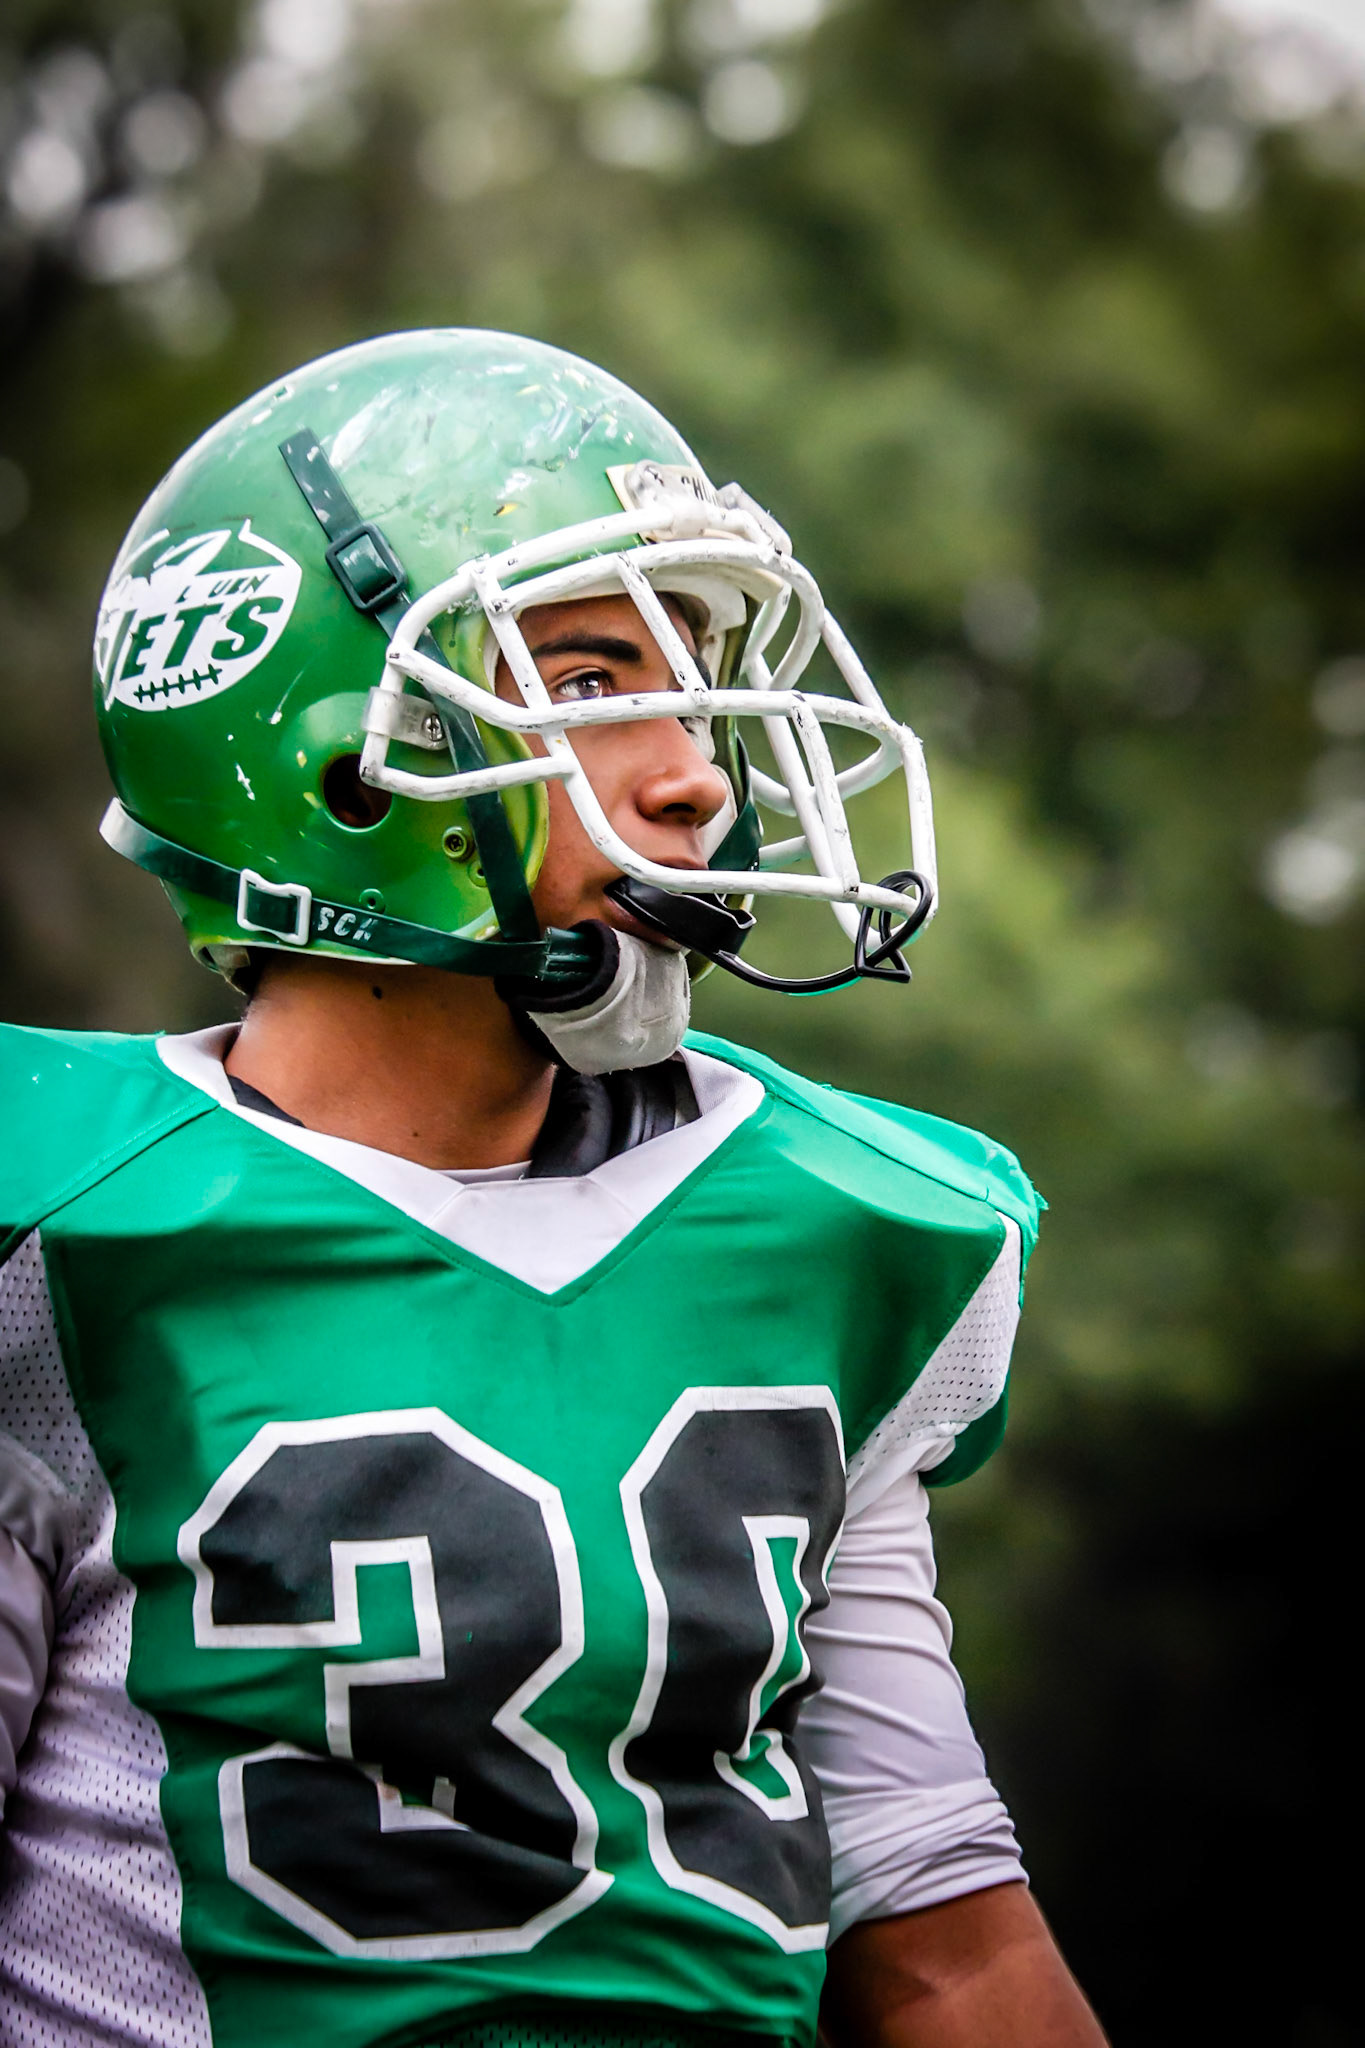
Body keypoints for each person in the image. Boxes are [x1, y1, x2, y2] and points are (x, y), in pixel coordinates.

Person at [0, 329, 1105, 2048]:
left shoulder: (841, 1232)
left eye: (687, 687)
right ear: (339, 770)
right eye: (590, 686)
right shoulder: (53, 1235)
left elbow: (937, 1924)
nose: (698, 777)